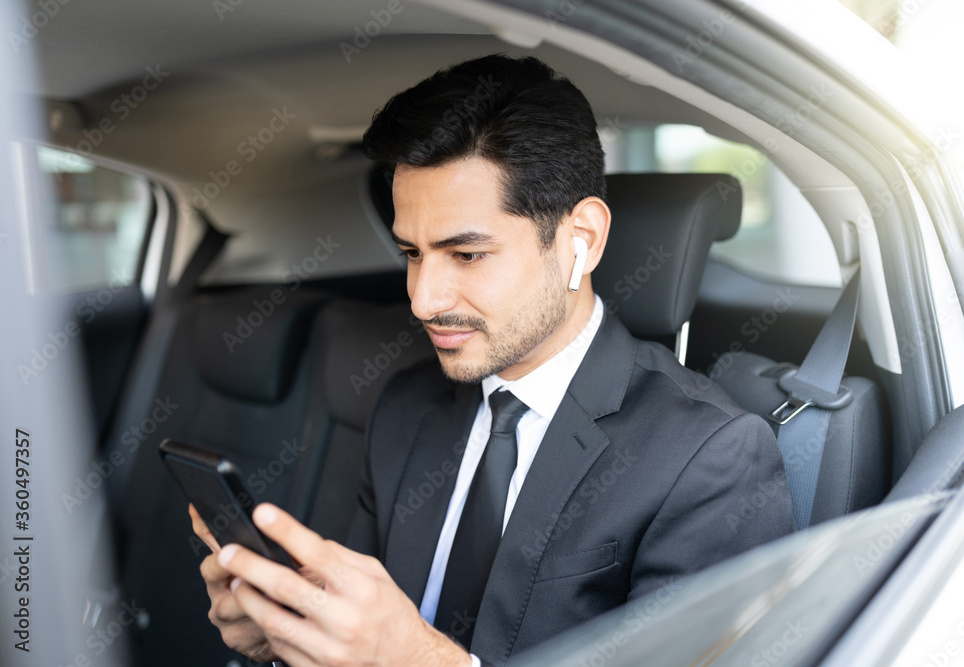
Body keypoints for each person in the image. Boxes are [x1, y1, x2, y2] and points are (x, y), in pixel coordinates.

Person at [191, 54, 795, 667]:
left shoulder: (708, 458)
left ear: (579, 240)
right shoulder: (404, 408)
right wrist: (288, 638)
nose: (423, 300)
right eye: (411, 253)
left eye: (468, 255)